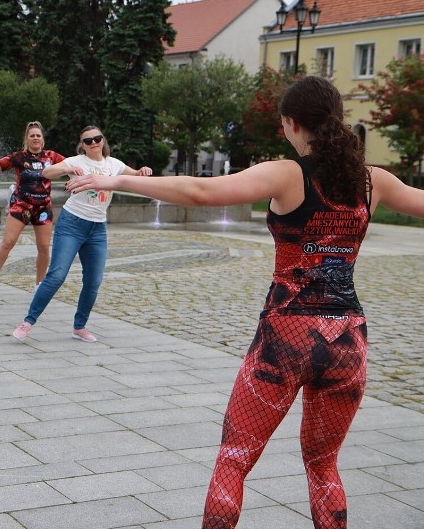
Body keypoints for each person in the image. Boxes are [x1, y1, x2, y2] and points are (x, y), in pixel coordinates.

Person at [65, 76, 424, 528]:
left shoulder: (287, 174)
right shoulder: (373, 181)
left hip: (286, 335)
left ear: (292, 123)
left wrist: (115, 180)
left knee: (234, 459)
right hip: (347, 340)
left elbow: (201, 192)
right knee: (324, 466)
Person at [12, 125, 152, 343]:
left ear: (103, 140)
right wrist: (66, 170)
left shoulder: (114, 164)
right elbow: (47, 172)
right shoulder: (77, 161)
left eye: (97, 138)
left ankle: (79, 327)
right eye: (88, 141)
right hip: (72, 224)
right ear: (83, 146)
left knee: (94, 281)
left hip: (98, 229)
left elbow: (134, 176)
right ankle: (28, 322)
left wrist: (142, 171)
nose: (94, 142)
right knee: (57, 275)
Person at [0, 121, 65, 300]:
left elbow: (72, 166)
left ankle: (39, 286)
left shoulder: (52, 156)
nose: (35, 138)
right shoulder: (19, 157)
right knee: (7, 242)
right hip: (21, 205)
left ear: (42, 139)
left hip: (43, 208)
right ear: (27, 138)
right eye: (32, 135)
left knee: (44, 247)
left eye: (38, 135)